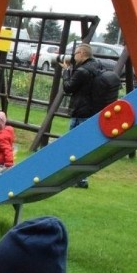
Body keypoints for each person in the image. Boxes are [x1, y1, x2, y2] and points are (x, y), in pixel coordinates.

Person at [61, 43, 101, 189]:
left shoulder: (82, 71)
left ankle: (77, 178)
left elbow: (68, 88)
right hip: (92, 110)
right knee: (83, 146)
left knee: (74, 145)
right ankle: (81, 178)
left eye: (76, 53)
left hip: (80, 111)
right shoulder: (96, 66)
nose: (74, 56)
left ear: (83, 53)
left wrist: (66, 72)